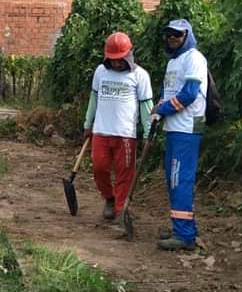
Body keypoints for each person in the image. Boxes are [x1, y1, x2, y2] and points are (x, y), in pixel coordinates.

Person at [83, 31, 154, 222]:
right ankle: (109, 198)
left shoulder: (140, 76)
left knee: (125, 173)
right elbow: (93, 99)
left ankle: (121, 209)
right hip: (101, 131)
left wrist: (149, 132)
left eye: (120, 59)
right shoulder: (100, 72)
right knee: (99, 167)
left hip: (125, 135)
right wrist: (88, 124)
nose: (116, 63)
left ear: (128, 56)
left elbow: (147, 108)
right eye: (112, 60)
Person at [152, 19, 208, 251]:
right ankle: (183, 226)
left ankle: (184, 236)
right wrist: (159, 107)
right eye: (169, 35)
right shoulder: (173, 61)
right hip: (174, 127)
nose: (172, 38)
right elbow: (171, 92)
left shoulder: (194, 58)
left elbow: (189, 94)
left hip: (187, 129)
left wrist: (162, 110)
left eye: (177, 34)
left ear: (187, 35)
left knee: (179, 180)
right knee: (172, 181)